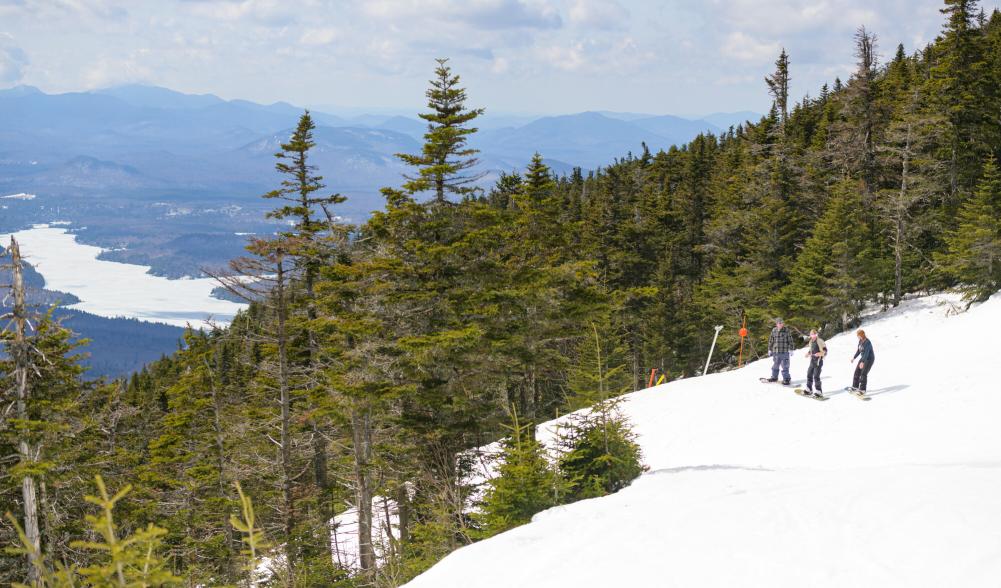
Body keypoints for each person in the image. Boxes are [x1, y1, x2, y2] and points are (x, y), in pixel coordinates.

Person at [766, 318, 793, 385]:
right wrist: (769, 349)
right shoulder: (774, 330)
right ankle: (774, 377)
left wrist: (791, 349)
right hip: (776, 352)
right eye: (779, 323)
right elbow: (771, 340)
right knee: (775, 365)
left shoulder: (786, 330)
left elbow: (790, 340)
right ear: (776, 324)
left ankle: (786, 379)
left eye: (782, 323)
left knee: (785, 366)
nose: (781, 324)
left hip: (784, 352)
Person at [850, 329, 875, 394]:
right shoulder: (860, 341)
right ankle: (855, 387)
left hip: (869, 359)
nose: (858, 337)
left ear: (862, 335)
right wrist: (854, 357)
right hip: (863, 358)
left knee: (863, 373)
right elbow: (859, 350)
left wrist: (862, 362)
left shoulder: (867, 342)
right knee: (857, 372)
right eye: (857, 336)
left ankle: (862, 390)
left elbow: (866, 353)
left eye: (858, 335)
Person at [804, 329, 827, 396]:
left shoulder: (820, 341)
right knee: (809, 374)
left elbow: (825, 350)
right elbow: (811, 350)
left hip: (818, 361)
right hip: (812, 360)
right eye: (812, 334)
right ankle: (809, 388)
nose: (813, 336)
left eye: (814, 334)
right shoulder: (811, 342)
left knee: (816, 376)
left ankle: (819, 391)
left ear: (816, 334)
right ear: (810, 335)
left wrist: (820, 353)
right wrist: (808, 354)